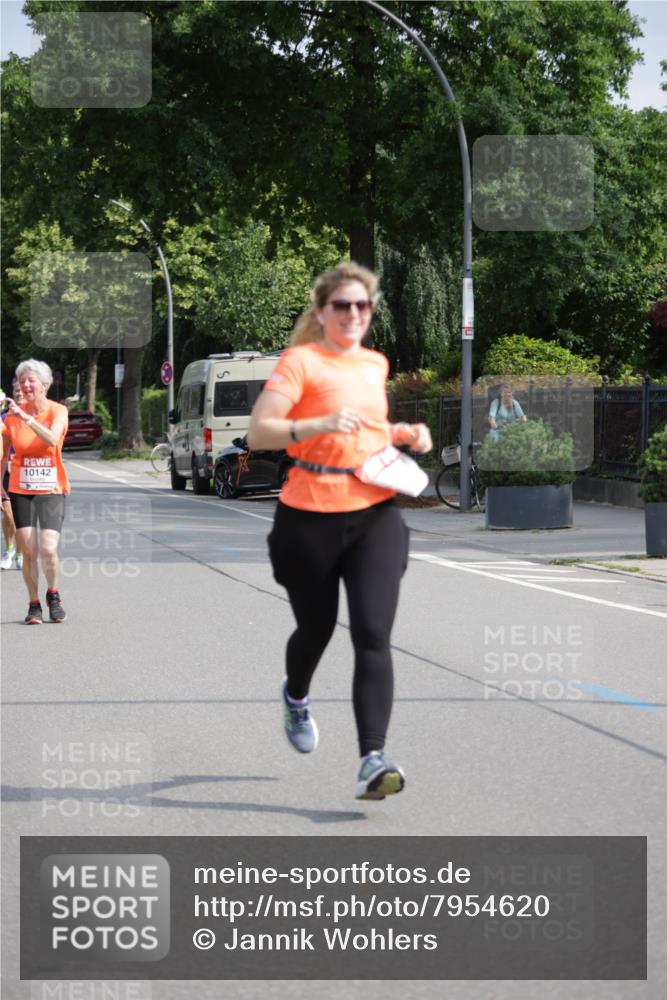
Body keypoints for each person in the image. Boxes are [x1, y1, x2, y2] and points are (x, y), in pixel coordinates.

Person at [248, 262, 432, 800]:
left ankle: (373, 756)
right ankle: (297, 696)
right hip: (308, 515)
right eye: (342, 306)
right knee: (318, 629)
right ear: (322, 312)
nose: (354, 314)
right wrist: (317, 425)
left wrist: (404, 432)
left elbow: (369, 428)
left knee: (374, 635)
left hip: (374, 512)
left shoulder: (375, 364)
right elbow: (261, 432)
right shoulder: (300, 362)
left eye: (363, 306)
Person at [0, 360, 70, 624]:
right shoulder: (11, 417)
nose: (26, 385)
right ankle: (34, 604)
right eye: (22, 381)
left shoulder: (57, 411)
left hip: (52, 489)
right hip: (20, 489)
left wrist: (26, 418)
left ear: (45, 385)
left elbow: (52, 439)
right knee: (28, 551)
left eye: (31, 381)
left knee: (48, 549)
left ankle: (53, 594)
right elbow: (3, 454)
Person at [1, 383, 26, 571]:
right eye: (17, 391)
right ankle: (9, 550)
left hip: (24, 473)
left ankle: (20, 552)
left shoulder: (34, 418)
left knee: (20, 517)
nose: (20, 394)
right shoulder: (3, 418)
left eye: (23, 391)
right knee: (8, 514)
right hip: (6, 472)